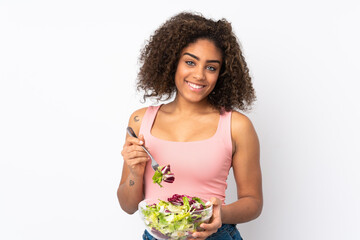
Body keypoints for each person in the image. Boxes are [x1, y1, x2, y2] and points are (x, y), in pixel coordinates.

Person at [117, 12, 262, 240]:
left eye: (211, 67)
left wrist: (219, 214)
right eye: (190, 62)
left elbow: (253, 202)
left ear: (221, 74)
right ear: (172, 61)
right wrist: (135, 172)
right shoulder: (140, 121)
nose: (199, 75)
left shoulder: (236, 125)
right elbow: (128, 206)